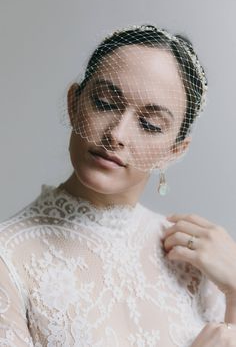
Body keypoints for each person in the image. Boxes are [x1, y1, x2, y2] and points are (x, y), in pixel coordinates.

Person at [0, 24, 236, 347]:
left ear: (175, 151)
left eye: (150, 124)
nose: (117, 134)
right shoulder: (9, 260)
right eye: (105, 102)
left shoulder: (195, 260)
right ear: (74, 103)